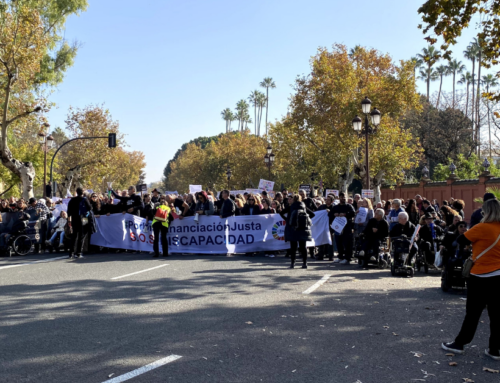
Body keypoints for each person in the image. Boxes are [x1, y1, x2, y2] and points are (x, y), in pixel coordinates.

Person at [441, 199, 500, 360]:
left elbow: (459, 241)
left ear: (486, 212)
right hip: (499, 275)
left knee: (473, 313)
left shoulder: (481, 228)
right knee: (496, 315)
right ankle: (495, 349)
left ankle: (460, 343)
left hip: (481, 275)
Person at [287, 194, 315, 269]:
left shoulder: (291, 207)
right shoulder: (304, 207)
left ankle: (292, 263)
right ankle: (304, 263)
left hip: (293, 228)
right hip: (303, 228)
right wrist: (306, 220)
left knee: (293, 247)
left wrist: (287, 220)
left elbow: (281, 212)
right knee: (303, 247)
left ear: (293, 200)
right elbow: (312, 214)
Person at [67, 187, 92, 259]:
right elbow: (90, 208)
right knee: (82, 235)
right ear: (83, 192)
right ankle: (78, 253)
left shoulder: (72, 200)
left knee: (74, 236)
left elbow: (69, 212)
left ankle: (71, 253)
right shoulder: (85, 199)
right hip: (83, 218)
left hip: (74, 218)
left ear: (76, 192)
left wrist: (69, 221)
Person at [332, 192, 355, 265]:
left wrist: (345, 214)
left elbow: (353, 213)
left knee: (347, 243)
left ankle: (347, 258)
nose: (343, 198)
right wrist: (334, 214)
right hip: (338, 227)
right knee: (339, 242)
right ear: (339, 198)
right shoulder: (336, 207)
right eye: (341, 197)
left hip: (346, 227)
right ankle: (340, 256)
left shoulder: (349, 206)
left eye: (344, 197)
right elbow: (330, 214)